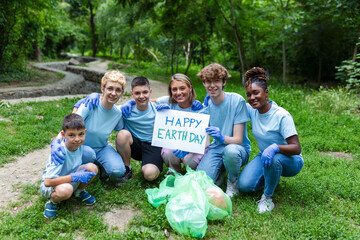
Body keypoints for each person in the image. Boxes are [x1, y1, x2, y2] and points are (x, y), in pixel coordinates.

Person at [237, 67, 304, 213]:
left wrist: (275, 147)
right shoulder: (252, 109)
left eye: (256, 93)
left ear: (266, 93)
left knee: (274, 160)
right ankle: (272, 176)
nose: (252, 98)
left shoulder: (281, 116)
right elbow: (232, 103)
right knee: (244, 186)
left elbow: (296, 148)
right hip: (265, 155)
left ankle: (267, 198)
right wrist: (208, 102)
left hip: (290, 159)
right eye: (248, 94)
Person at [50, 71, 126, 182]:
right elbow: (70, 125)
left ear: (122, 92)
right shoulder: (91, 104)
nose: (113, 93)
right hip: (80, 147)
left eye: (118, 90)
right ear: (102, 89)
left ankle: (100, 166)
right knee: (89, 154)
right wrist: (56, 142)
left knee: (117, 171)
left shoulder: (117, 113)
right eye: (110, 88)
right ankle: (85, 168)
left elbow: (123, 128)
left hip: (102, 148)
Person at [196, 63, 251, 198]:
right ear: (203, 83)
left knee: (230, 151)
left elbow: (238, 140)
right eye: (208, 81)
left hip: (237, 149)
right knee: (199, 183)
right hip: (216, 149)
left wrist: (222, 137)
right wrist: (187, 147)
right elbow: (206, 143)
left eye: (216, 81)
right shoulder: (206, 107)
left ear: (224, 82)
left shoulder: (237, 101)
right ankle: (220, 170)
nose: (212, 85)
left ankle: (232, 181)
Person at [40, 113, 98, 218]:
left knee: (92, 168)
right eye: (71, 135)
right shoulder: (60, 152)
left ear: (85, 133)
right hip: (54, 185)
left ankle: (79, 192)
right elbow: (47, 182)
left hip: (69, 178)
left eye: (81, 134)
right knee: (66, 190)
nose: (77, 139)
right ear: (63, 135)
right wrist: (73, 177)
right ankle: (52, 201)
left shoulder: (77, 145)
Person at [152, 73, 207, 173]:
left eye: (182, 88)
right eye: (174, 89)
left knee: (189, 160)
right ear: (171, 91)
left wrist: (189, 148)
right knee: (168, 152)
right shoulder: (167, 101)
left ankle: (191, 173)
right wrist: (131, 103)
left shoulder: (199, 108)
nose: (178, 92)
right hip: (174, 144)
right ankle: (174, 171)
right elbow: (146, 101)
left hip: (193, 149)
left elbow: (204, 140)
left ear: (190, 88)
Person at [116, 77, 164, 181]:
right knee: (122, 134)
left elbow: (177, 101)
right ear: (132, 94)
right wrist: (93, 96)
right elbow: (106, 106)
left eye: (145, 92)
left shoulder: (159, 110)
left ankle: (152, 164)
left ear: (150, 92)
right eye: (137, 93)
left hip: (153, 146)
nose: (141, 96)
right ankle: (127, 168)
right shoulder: (125, 110)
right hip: (135, 145)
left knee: (149, 175)